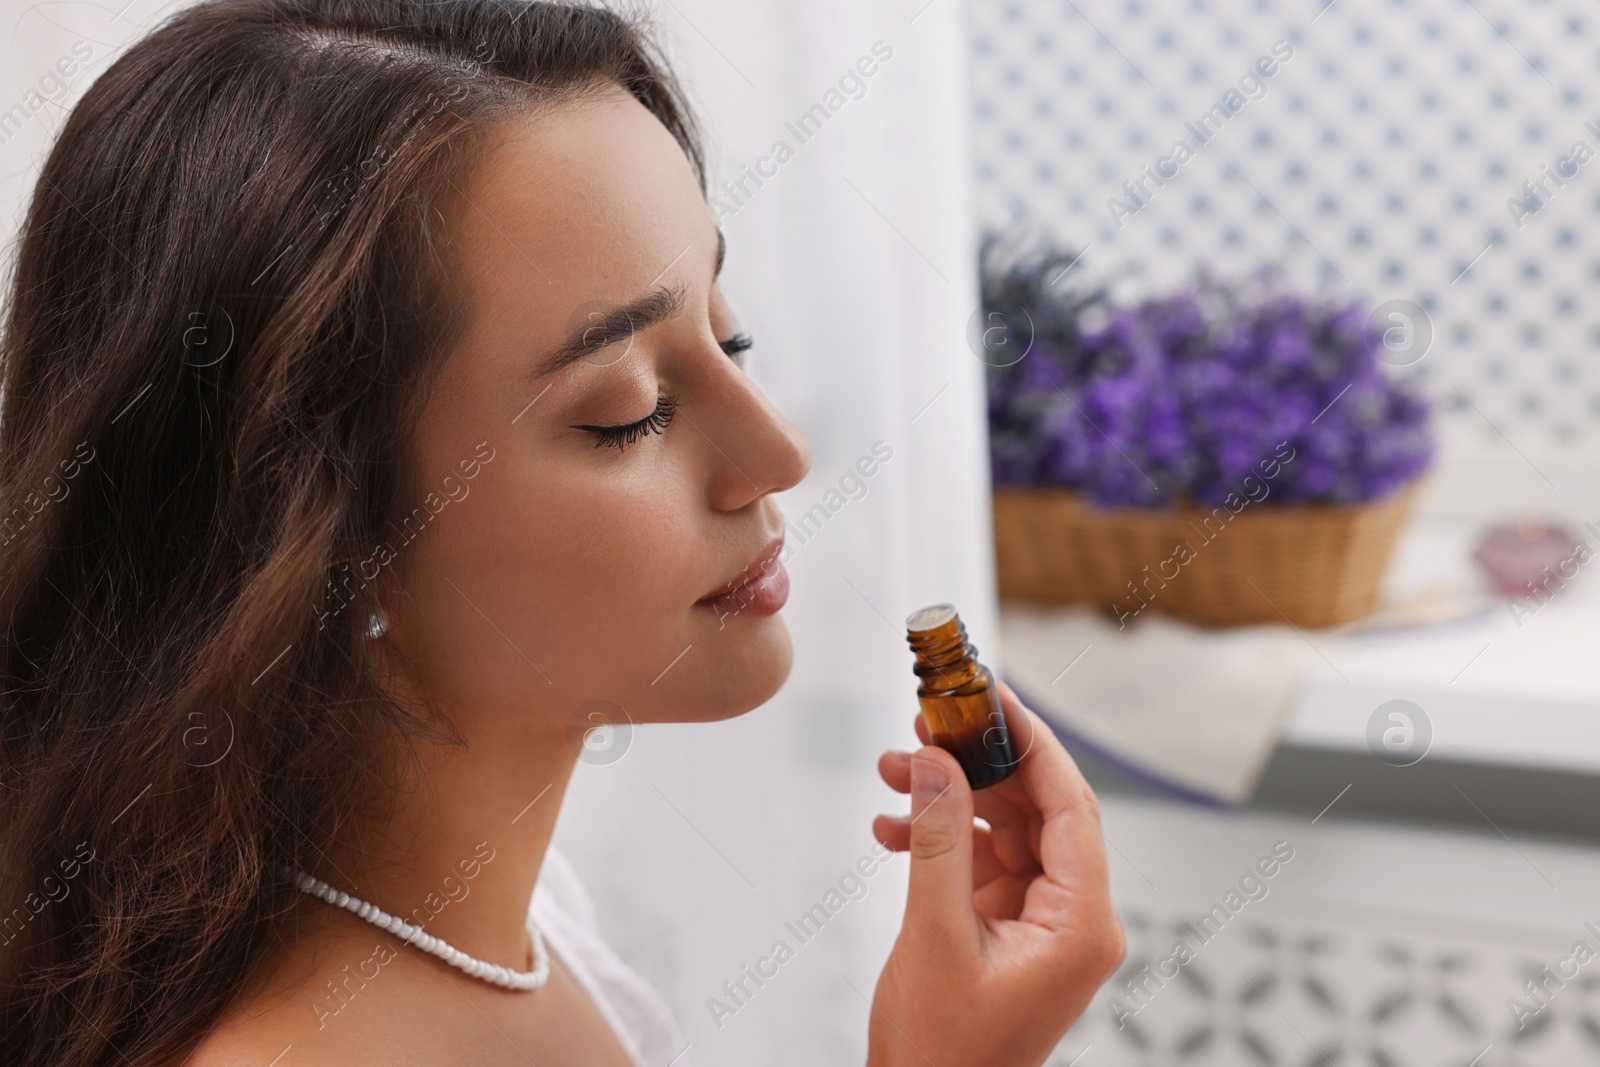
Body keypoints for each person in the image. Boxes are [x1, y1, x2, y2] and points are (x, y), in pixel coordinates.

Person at [0, 1, 1126, 1064]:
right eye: (627, 409)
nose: (778, 452)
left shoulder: (523, 923)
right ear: (313, 538)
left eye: (727, 340)